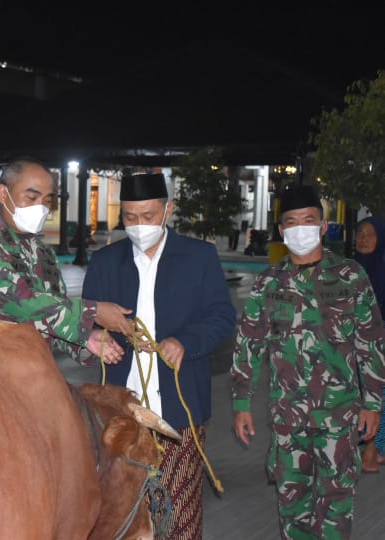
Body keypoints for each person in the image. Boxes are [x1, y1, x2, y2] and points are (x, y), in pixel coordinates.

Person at [81, 172, 236, 540]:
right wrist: (97, 336)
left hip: (178, 416)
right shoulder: (105, 262)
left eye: (148, 216)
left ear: (169, 210)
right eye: (130, 217)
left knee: (179, 516)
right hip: (121, 417)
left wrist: (185, 341)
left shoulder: (199, 257)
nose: (138, 226)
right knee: (123, 515)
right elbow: (86, 326)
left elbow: (222, 316)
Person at [231, 185, 385, 539]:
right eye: (292, 222)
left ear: (323, 225)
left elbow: (371, 342)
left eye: (308, 220)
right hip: (288, 421)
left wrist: (374, 403)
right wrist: (242, 403)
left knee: (335, 509)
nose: (300, 228)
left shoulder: (351, 277)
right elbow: (248, 346)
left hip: (339, 418)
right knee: (292, 508)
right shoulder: (268, 284)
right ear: (282, 230)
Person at [0, 158, 133, 366]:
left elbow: (50, 316)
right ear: (3, 194)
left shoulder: (43, 253)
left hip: (33, 375)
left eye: (47, 201)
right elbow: (22, 304)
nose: (41, 208)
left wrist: (86, 340)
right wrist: (93, 312)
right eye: (31, 197)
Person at [354, 216, 385, 472]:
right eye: (360, 233)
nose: (363, 238)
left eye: (369, 234)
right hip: (351, 346)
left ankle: (372, 451)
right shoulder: (348, 270)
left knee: (377, 393)